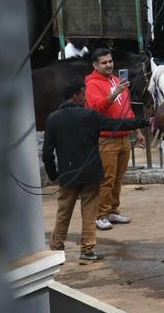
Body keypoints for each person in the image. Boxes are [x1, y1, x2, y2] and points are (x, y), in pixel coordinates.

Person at [42, 80, 149, 263]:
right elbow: (117, 124)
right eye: (83, 94)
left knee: (63, 213)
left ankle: (56, 249)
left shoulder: (53, 118)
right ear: (75, 95)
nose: (85, 97)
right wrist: (144, 121)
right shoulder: (89, 116)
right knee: (89, 213)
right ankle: (87, 251)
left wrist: (54, 175)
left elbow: (47, 153)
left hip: (67, 174)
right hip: (90, 173)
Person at [85, 48, 136, 231]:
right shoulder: (92, 84)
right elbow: (96, 108)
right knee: (107, 179)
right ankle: (101, 215)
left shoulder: (117, 80)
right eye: (104, 62)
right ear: (95, 65)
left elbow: (127, 108)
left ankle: (113, 210)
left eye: (110, 61)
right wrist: (114, 94)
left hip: (123, 137)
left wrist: (135, 130)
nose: (109, 65)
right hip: (106, 139)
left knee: (118, 178)